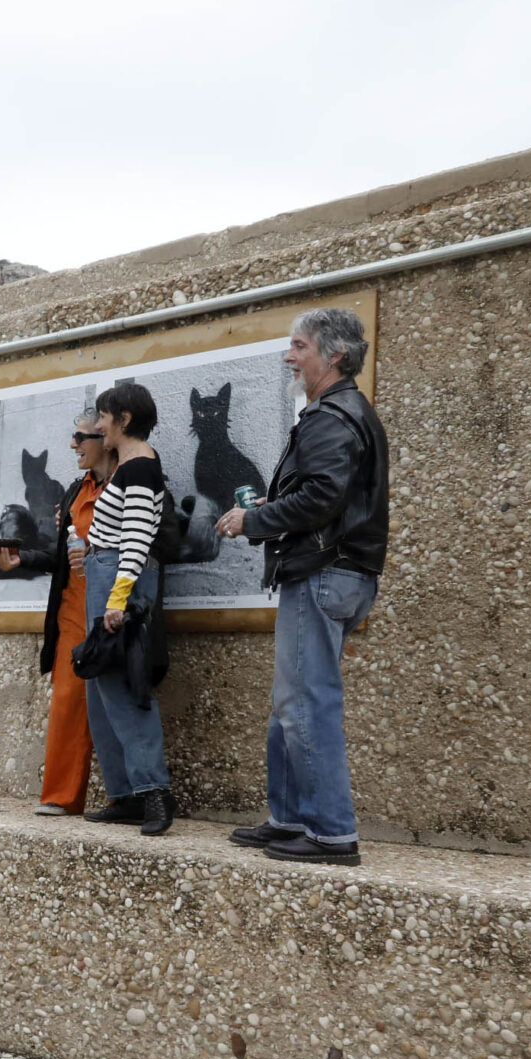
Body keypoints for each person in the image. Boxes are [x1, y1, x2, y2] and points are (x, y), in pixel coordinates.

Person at [218, 308, 390, 866]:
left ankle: (331, 833)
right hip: (339, 570)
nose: (289, 356)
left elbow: (321, 496)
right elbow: (329, 495)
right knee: (291, 703)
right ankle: (290, 819)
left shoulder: (328, 416)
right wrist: (274, 507)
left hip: (323, 572)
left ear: (333, 355)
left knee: (307, 704)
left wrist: (255, 521)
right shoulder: (345, 412)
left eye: (299, 346)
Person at [0, 409, 115, 816]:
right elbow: (62, 555)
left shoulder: (135, 481)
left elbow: (159, 541)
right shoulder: (76, 489)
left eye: (81, 437)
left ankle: (132, 798)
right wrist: (18, 561)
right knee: (66, 700)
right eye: (73, 436)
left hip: (119, 604)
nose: (72, 444)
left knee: (120, 703)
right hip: (74, 607)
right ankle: (60, 796)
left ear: (107, 439)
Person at [76, 380, 174, 835]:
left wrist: (117, 602)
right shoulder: (130, 466)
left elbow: (134, 541)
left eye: (104, 417)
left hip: (119, 580)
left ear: (125, 420)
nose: (98, 426)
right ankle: (128, 796)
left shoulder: (139, 467)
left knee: (125, 685)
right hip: (107, 573)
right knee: (103, 687)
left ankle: (153, 794)